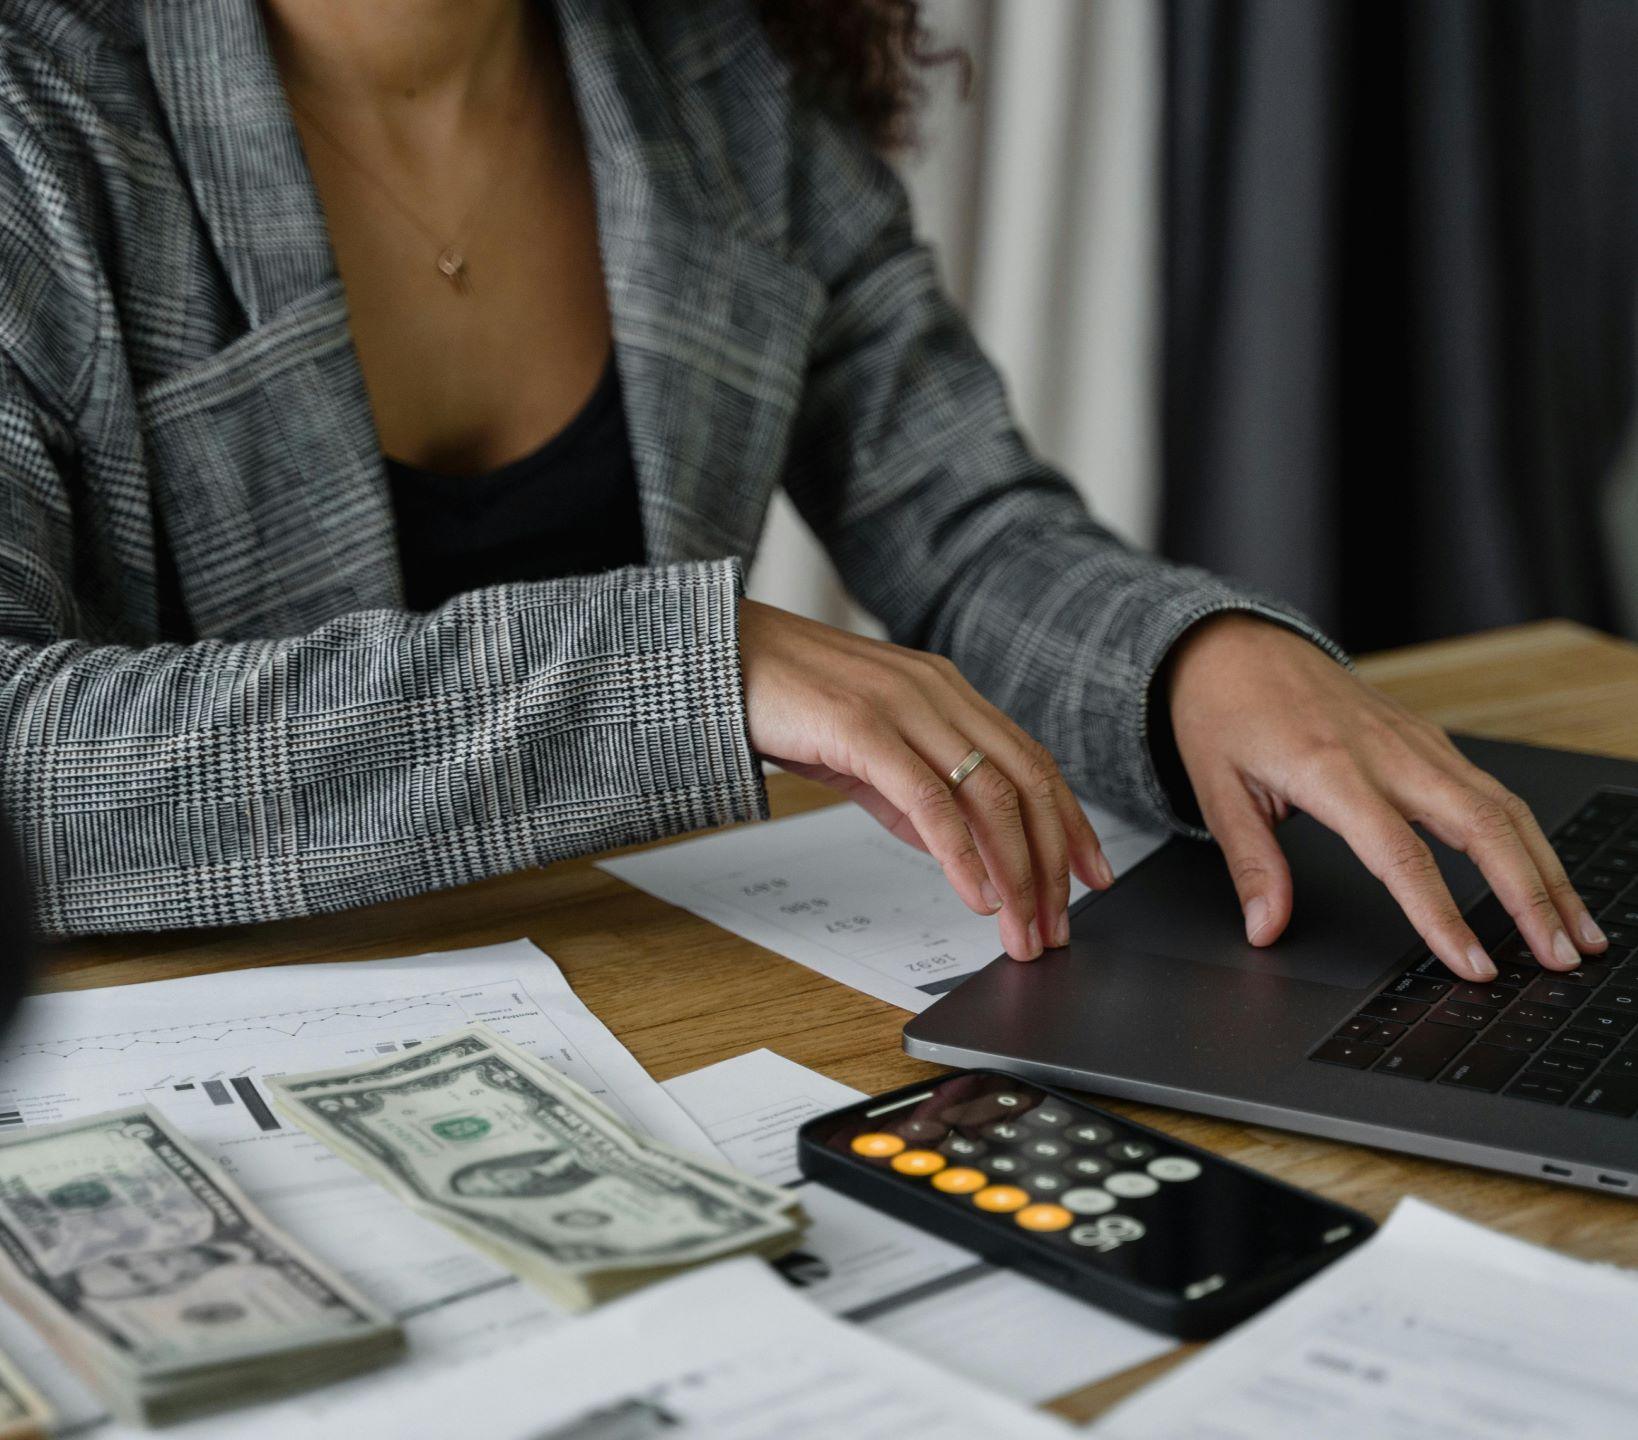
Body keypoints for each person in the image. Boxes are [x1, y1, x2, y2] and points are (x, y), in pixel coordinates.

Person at [0, 0, 1605, 984]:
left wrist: (1194, 656)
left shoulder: (724, 69)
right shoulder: (38, 105)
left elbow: (964, 522)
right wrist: (687, 671)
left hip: (651, 1005)